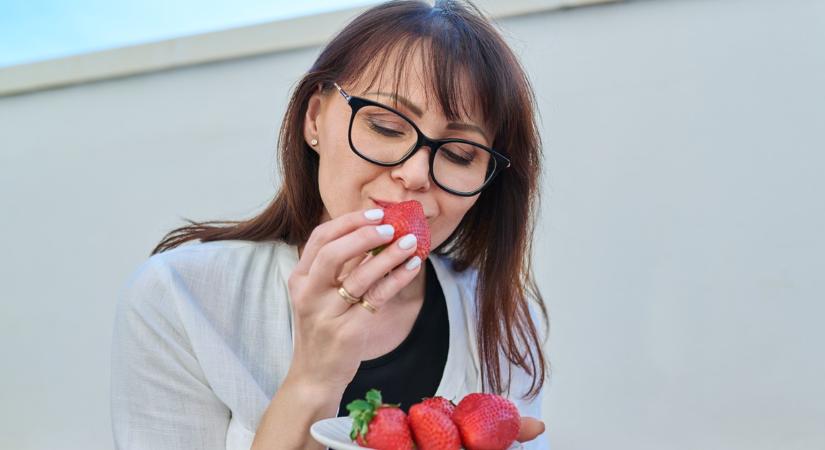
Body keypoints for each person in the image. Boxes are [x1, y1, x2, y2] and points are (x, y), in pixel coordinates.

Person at [110, 1, 550, 449]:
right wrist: (314, 378)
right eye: (385, 125)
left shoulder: (501, 319)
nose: (416, 174)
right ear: (315, 119)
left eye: (459, 154)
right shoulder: (181, 297)